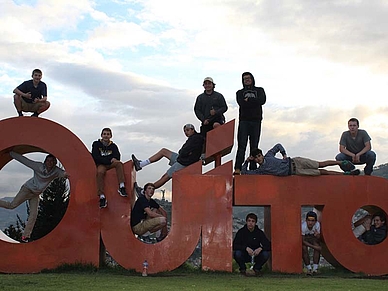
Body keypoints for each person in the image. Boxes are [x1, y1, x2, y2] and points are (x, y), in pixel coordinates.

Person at [0, 151, 69, 242]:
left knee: (34, 214)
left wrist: (71, 173)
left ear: (55, 163)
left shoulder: (56, 171)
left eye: (52, 161)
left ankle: (25, 236)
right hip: (27, 189)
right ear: (45, 162)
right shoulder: (38, 166)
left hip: (36, 194)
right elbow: (25, 161)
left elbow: (66, 174)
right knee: (12, 205)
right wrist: (11, 153)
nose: (50, 163)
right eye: (48, 161)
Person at [132, 124, 204, 195]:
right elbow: (184, 151)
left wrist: (183, 152)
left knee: (165, 177)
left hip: (184, 163)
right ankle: (141, 164)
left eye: (187, 130)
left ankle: (143, 192)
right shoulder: (194, 138)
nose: (186, 133)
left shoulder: (196, 138)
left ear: (193, 129)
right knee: (164, 151)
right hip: (181, 159)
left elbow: (184, 151)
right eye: (184, 131)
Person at [241, 143, 360, 176]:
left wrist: (283, 154)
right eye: (256, 158)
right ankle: (345, 174)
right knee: (321, 173)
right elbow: (245, 172)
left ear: (261, 154)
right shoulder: (261, 170)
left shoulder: (268, 155)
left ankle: (341, 162)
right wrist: (247, 161)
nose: (258, 159)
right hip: (295, 172)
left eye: (258, 156)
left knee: (320, 164)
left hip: (295, 161)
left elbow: (278, 145)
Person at [233, 72, 266, 175]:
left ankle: (253, 168)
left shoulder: (259, 90)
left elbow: (262, 100)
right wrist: (253, 102)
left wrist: (249, 100)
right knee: (241, 145)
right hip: (244, 121)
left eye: (248, 78)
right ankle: (238, 168)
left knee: (254, 146)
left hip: (256, 121)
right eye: (244, 78)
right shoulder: (239, 92)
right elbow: (241, 103)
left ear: (252, 79)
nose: (247, 80)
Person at [91, 128, 127, 209]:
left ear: (111, 136)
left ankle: (122, 186)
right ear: (101, 135)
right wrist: (109, 159)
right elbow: (96, 157)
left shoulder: (113, 146)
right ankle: (102, 196)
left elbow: (117, 156)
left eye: (108, 134)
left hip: (109, 164)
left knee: (119, 164)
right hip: (101, 165)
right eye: (104, 134)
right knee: (99, 172)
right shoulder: (96, 144)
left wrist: (112, 159)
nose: (106, 136)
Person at [194, 77, 227, 154]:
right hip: (206, 121)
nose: (207, 85)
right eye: (206, 84)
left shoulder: (219, 96)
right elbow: (197, 110)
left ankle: (219, 144)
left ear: (213, 85)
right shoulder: (200, 97)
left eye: (209, 83)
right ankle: (203, 153)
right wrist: (203, 119)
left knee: (216, 125)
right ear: (203, 85)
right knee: (203, 138)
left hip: (217, 119)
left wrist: (216, 112)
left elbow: (224, 107)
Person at [302, 211, 321, 275]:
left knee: (317, 246)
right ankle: (308, 268)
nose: (310, 223)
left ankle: (315, 269)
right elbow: (303, 240)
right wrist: (314, 247)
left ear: (315, 221)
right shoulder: (303, 227)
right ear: (306, 220)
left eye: (312, 221)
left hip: (312, 238)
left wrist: (317, 235)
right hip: (305, 239)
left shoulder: (317, 225)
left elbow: (318, 237)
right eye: (309, 220)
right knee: (304, 248)